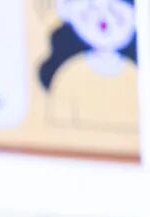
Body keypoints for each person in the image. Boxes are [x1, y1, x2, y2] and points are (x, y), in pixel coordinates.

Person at [38, 0, 138, 131]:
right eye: (91, 9)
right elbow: (60, 123)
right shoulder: (70, 75)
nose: (103, 19)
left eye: (115, 12)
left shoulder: (135, 74)